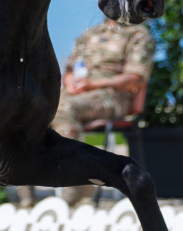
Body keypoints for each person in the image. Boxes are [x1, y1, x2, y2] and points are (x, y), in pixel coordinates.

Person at [25, 18, 154, 209]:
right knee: (31, 108)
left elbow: (134, 79)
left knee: (64, 108)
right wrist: (70, 82)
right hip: (77, 94)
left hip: (112, 97)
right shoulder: (89, 34)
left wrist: (92, 85)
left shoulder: (137, 34)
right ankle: (25, 190)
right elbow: (69, 71)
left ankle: (76, 184)